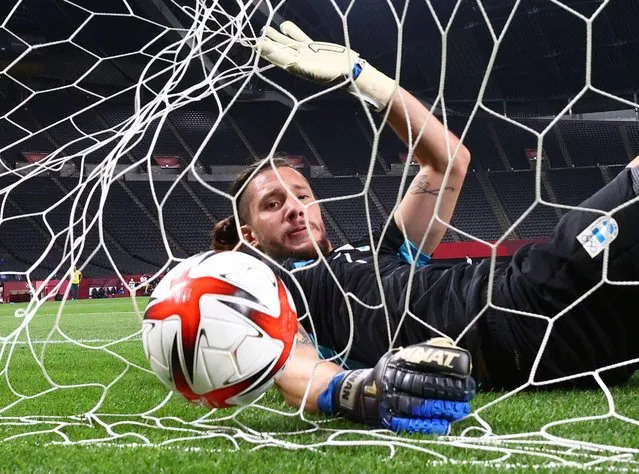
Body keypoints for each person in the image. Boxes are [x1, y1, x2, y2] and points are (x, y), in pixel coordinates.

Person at [210, 22, 639, 434]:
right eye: (272, 203)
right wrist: (359, 391)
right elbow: (293, 365)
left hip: (589, 343)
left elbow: (449, 161)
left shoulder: (376, 251)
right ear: (249, 236)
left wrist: (361, 77)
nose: (295, 209)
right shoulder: (277, 291)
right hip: (527, 305)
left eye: (302, 195)